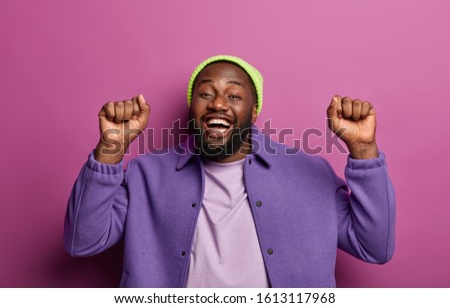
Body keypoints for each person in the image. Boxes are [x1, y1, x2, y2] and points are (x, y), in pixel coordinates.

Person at [64, 55, 395, 287]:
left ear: (253, 111)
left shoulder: (312, 174)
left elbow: (374, 247)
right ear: (193, 108)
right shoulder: (145, 175)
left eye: (234, 95)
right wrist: (111, 147)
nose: (218, 103)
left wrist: (364, 150)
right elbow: (82, 241)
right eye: (205, 93)